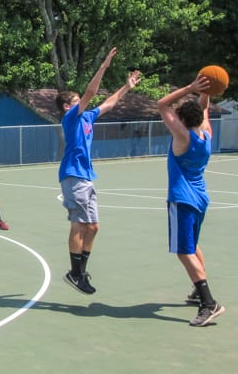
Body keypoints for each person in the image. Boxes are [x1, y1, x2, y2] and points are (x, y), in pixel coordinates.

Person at [56, 47, 140, 295]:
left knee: (93, 227)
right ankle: (74, 272)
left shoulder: (87, 117)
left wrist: (126, 87)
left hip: (86, 177)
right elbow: (92, 93)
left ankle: (80, 272)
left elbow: (108, 103)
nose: (81, 101)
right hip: (73, 175)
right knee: (79, 224)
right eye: (75, 100)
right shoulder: (70, 118)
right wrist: (103, 66)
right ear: (66, 106)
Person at [157, 75, 225, 327]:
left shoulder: (183, 137)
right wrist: (206, 92)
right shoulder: (206, 134)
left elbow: (162, 105)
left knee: (183, 251)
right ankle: (199, 288)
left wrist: (190, 88)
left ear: (182, 121)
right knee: (193, 245)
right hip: (200, 198)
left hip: (182, 199)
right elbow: (204, 108)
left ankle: (209, 303)